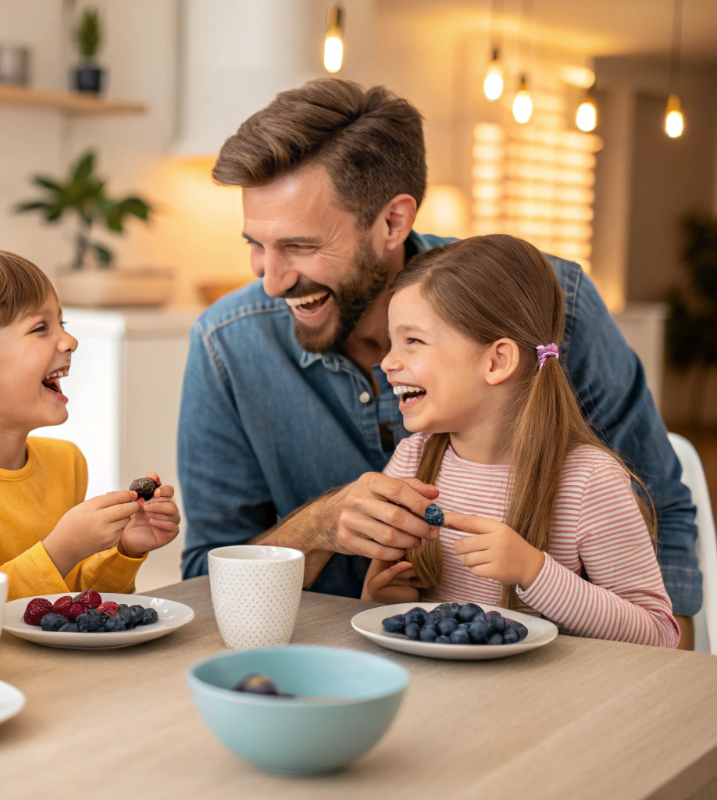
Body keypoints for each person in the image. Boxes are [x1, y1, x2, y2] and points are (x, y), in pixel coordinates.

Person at [177, 78, 701, 643]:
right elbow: (210, 579)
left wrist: (670, 693)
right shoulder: (225, 342)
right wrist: (320, 525)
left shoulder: (549, 305)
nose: (272, 280)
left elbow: (662, 524)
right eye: (255, 244)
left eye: (300, 246)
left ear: (393, 222)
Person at [361, 235, 678, 647]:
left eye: (413, 341)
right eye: (391, 342)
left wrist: (535, 572)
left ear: (497, 361)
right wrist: (379, 600)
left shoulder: (588, 482)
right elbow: (386, 613)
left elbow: (659, 635)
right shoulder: (410, 461)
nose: (387, 362)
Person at [0, 249, 181, 600]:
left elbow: (71, 605)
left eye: (63, 324)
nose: (70, 341)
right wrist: (61, 549)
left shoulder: (66, 463)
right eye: (40, 328)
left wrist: (125, 549)